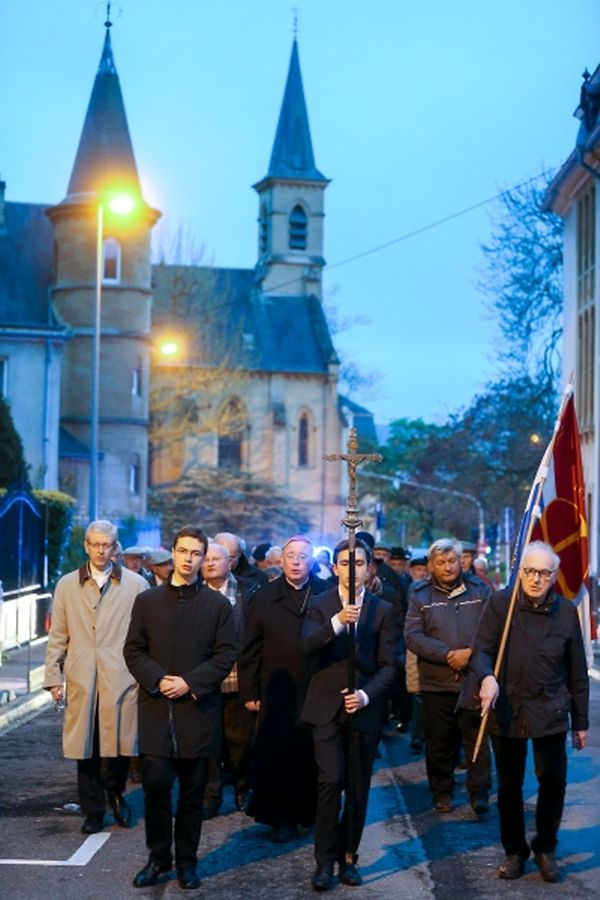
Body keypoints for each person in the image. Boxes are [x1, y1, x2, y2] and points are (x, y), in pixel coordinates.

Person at [123, 525, 237, 890]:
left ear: (204, 559)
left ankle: (187, 862)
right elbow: (133, 650)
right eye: (183, 551)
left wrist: (190, 682)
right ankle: (158, 859)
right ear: (172, 553)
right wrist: (158, 680)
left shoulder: (218, 605)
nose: (188, 559)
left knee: (192, 795)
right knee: (155, 789)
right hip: (157, 709)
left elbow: (225, 656)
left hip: (198, 712)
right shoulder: (147, 602)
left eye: (196, 553)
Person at [471, 540, 589, 883]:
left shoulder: (566, 611)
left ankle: (546, 847)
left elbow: (577, 670)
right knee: (509, 785)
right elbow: (481, 650)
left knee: (553, 782)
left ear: (554, 576)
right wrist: (487, 676)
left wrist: (580, 722)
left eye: (544, 573)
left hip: (550, 709)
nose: (536, 579)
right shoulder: (500, 604)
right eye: (530, 571)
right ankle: (514, 851)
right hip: (506, 706)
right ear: (520, 572)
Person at [301, 539, 395, 890]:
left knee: (357, 787)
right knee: (330, 782)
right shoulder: (319, 604)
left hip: (362, 710)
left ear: (369, 568)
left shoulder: (382, 609)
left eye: (358, 562)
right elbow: (306, 645)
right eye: (344, 562)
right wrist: (338, 622)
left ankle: (349, 858)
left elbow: (389, 666)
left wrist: (365, 695)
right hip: (325, 708)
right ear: (335, 568)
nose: (351, 568)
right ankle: (323, 862)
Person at [44, 519, 148, 834]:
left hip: (121, 675)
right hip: (81, 674)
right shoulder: (66, 585)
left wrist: (146, 675)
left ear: (115, 547)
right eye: (95, 545)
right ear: (86, 546)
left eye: (107, 545)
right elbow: (58, 633)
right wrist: (53, 676)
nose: (101, 551)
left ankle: (116, 794)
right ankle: (93, 809)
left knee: (117, 744)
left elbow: (145, 634)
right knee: (84, 747)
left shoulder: (135, 585)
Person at [238, 534, 328, 842]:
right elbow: (249, 647)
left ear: (312, 561)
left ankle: (311, 812)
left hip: (317, 685)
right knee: (278, 755)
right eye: (291, 556)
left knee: (312, 755)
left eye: (303, 556)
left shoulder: (326, 593)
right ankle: (281, 818)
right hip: (277, 689)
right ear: (282, 561)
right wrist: (249, 692)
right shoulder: (263, 596)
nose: (297, 562)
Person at [404, 537, 492, 815]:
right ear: (431, 565)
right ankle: (442, 792)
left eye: (452, 561)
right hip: (436, 680)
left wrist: (469, 652)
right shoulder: (419, 594)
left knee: (476, 741)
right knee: (440, 742)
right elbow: (412, 636)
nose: (447, 567)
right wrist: (446, 654)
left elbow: (492, 629)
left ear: (461, 562)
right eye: (441, 562)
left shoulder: (480, 590)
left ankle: (479, 794)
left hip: (474, 678)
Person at [201, 541, 252, 818]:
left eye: (216, 559)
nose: (209, 563)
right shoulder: (194, 593)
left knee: (241, 742)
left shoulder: (247, 592)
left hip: (239, 681)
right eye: (205, 559)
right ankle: (211, 797)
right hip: (206, 684)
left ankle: (244, 788)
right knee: (209, 745)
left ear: (229, 562)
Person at [215, 531, 268, 596]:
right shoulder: (202, 574)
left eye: (231, 558)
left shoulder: (258, 578)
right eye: (219, 557)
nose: (225, 562)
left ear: (239, 554)